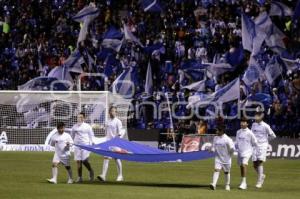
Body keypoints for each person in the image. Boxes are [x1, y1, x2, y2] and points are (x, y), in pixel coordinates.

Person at [97, 106, 125, 182]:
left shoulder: (118, 121)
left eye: (114, 111)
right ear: (109, 112)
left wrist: (117, 139)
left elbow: (120, 132)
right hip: (108, 143)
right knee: (106, 158)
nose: (112, 112)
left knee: (117, 158)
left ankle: (120, 175)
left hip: (115, 143)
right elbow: (106, 131)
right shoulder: (107, 121)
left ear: (116, 112)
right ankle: (103, 176)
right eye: (111, 111)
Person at [251, 111, 276, 188]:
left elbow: (273, 136)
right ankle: (262, 175)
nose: (255, 117)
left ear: (261, 116)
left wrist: (265, 141)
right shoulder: (253, 124)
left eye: (257, 116)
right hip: (255, 146)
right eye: (255, 115)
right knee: (254, 165)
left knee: (259, 162)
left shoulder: (266, 126)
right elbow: (251, 134)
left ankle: (259, 182)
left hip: (262, 146)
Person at [210, 124, 234, 191]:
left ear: (222, 131)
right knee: (216, 170)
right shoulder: (215, 138)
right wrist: (211, 150)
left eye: (217, 130)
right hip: (218, 158)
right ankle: (214, 184)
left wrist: (229, 155)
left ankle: (227, 185)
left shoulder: (228, 139)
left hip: (226, 159)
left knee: (226, 172)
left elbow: (232, 149)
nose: (216, 132)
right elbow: (214, 147)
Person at [72, 112, 95, 183]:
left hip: (85, 145)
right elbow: (72, 135)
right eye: (78, 117)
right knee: (78, 161)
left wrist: (91, 144)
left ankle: (91, 170)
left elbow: (91, 135)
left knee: (84, 160)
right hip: (77, 146)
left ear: (84, 118)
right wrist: (73, 143)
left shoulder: (87, 126)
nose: (79, 118)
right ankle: (80, 177)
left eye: (81, 117)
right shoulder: (74, 126)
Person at [235, 118, 257, 190]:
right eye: (241, 122)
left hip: (247, 152)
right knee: (241, 166)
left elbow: (255, 142)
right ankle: (243, 182)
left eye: (244, 122)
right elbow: (237, 142)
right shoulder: (238, 132)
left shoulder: (250, 133)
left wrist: (252, 151)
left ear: (247, 124)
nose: (242, 123)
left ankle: (244, 183)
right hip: (240, 152)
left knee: (244, 165)